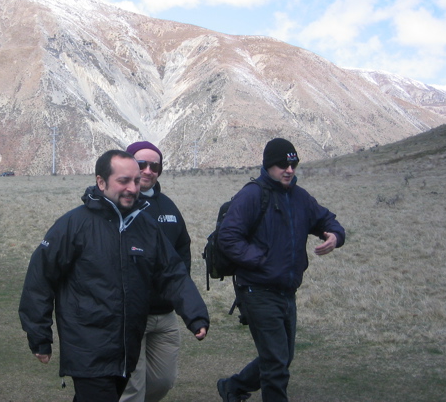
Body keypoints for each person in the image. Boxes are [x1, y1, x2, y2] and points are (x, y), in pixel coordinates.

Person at [19, 150, 209, 402]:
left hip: (127, 345)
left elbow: (172, 272)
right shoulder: (74, 225)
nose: (132, 188)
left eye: (136, 181)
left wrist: (195, 315)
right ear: (101, 182)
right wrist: (40, 336)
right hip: (88, 345)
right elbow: (40, 279)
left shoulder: (146, 226)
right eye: (123, 181)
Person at [216, 138, 345, 402]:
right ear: (268, 165)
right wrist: (261, 260)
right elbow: (228, 237)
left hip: (287, 291)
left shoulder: (299, 197)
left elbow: (325, 219)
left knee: (282, 356)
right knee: (276, 363)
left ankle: (234, 386)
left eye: (293, 164)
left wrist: (334, 236)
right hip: (257, 290)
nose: (288, 170)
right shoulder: (252, 194)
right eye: (282, 164)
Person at [120, 141, 192, 402]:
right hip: (128, 314)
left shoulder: (169, 207)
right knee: (132, 386)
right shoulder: (118, 206)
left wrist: (179, 291)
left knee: (163, 381)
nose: (148, 171)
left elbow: (183, 247)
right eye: (141, 164)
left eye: (155, 166)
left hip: (165, 314)